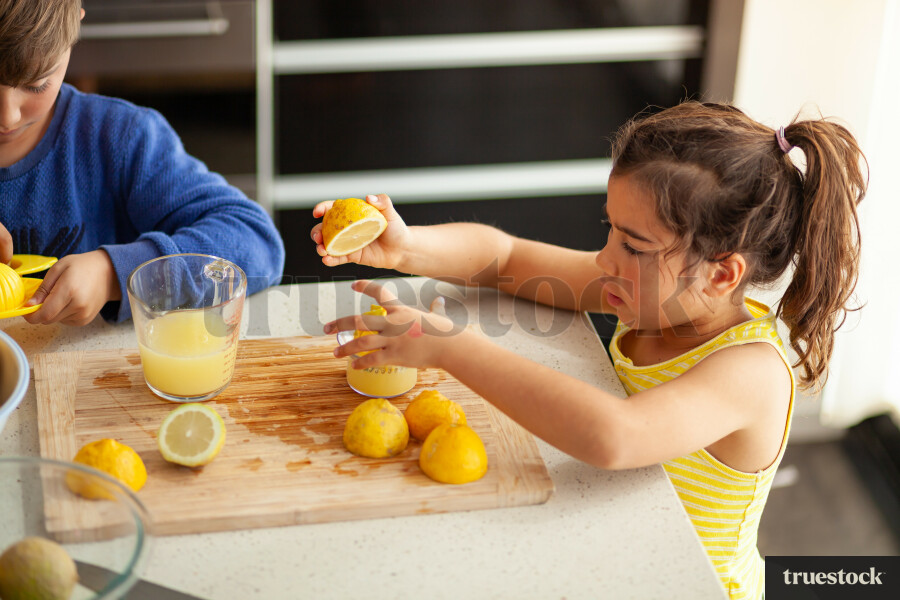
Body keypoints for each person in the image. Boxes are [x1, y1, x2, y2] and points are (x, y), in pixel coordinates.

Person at [311, 101, 865, 599]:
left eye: (632, 244)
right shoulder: (654, 293)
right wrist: (409, 248)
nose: (604, 259)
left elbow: (614, 437)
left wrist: (451, 349)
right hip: (608, 548)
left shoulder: (751, 373)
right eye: (610, 230)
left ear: (723, 275)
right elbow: (505, 260)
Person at [0, 0, 284, 325]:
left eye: (36, 83)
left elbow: (257, 244)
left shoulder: (121, 138)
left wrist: (116, 273)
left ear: (74, 29)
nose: (7, 115)